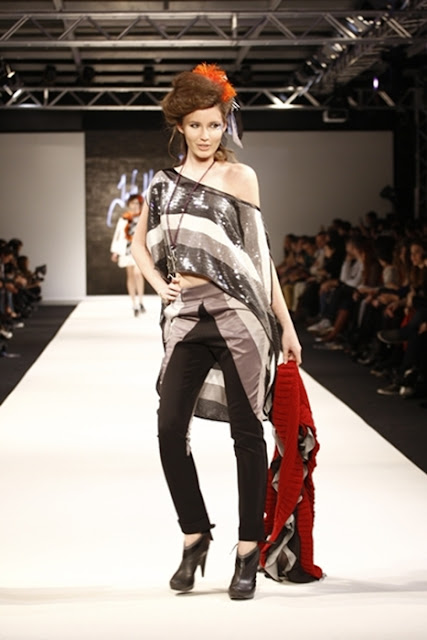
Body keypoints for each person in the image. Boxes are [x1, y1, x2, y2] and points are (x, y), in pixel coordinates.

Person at [131, 62, 301, 600]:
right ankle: (195, 534)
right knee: (168, 429)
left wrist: (286, 324)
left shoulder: (241, 177)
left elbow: (260, 256)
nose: (206, 135)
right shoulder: (163, 183)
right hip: (186, 317)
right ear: (179, 126)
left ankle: (248, 550)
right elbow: (138, 243)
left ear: (226, 124)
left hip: (240, 316)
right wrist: (158, 284)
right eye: (196, 125)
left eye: (214, 124)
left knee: (247, 434)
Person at [110, 194, 145, 316]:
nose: (135, 205)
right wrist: (115, 251)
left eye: (137, 203)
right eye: (133, 203)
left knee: (138, 273)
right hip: (126, 250)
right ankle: (134, 303)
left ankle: (141, 300)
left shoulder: (143, 218)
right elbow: (118, 235)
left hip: (139, 250)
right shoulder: (124, 218)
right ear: (129, 204)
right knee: (130, 276)